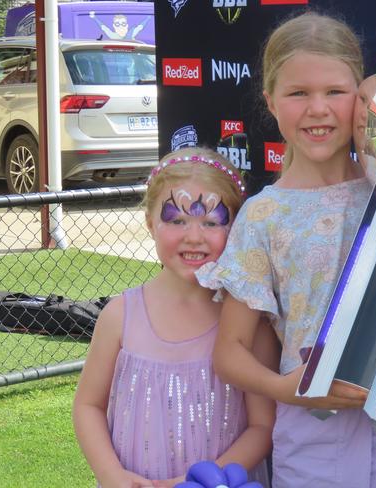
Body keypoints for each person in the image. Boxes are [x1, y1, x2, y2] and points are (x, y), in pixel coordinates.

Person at [197, 12, 376, 488]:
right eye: (298, 93)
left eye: (335, 92)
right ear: (270, 101)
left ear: (364, 98)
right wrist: (290, 391)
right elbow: (231, 353)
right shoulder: (264, 216)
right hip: (313, 434)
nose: (318, 109)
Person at [72, 147, 275, 488]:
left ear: (236, 226)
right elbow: (88, 406)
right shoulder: (119, 316)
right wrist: (111, 474)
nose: (193, 236)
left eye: (211, 222)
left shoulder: (248, 325)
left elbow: (263, 426)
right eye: (177, 219)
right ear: (150, 221)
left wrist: (197, 481)